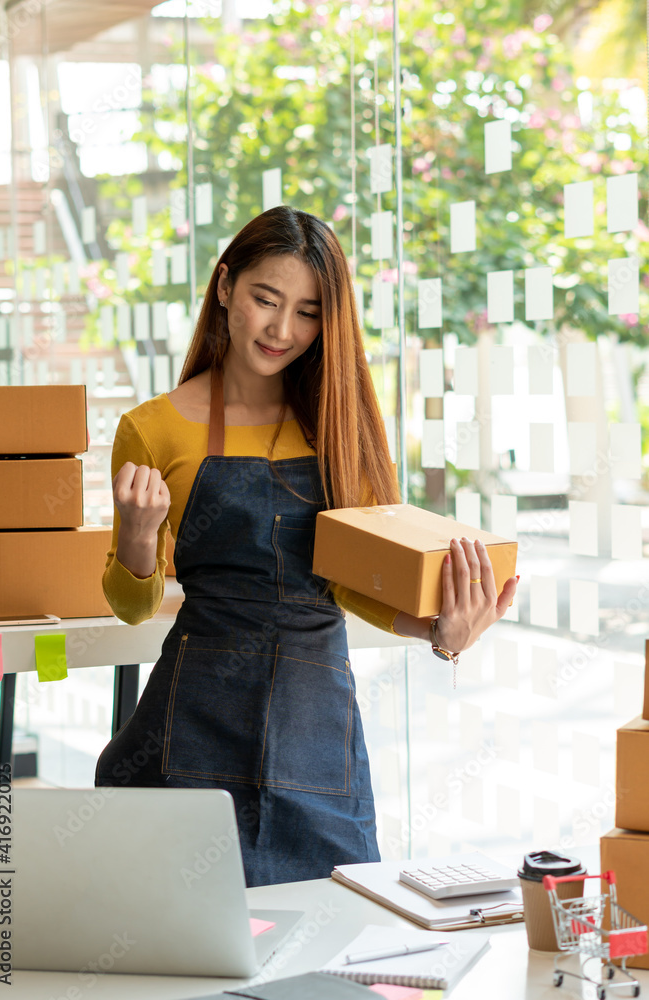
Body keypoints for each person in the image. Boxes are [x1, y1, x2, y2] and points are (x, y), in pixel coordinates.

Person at [95, 206, 518, 887]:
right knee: (185, 949)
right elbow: (132, 607)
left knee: (330, 951)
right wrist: (140, 535)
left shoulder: (336, 424)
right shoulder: (152, 428)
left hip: (315, 727)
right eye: (266, 299)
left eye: (307, 312)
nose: (281, 330)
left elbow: (348, 581)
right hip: (191, 718)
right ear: (225, 286)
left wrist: (441, 631)